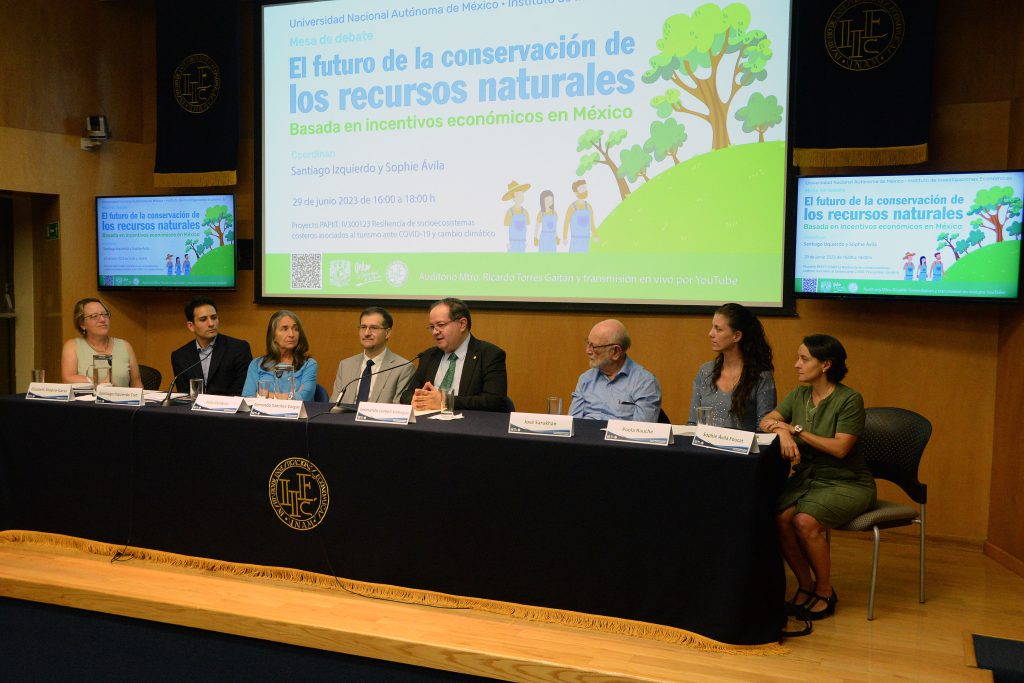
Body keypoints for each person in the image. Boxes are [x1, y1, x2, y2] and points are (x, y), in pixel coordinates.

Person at [759, 334, 875, 622]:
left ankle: (825, 591)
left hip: (846, 481)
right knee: (779, 518)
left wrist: (795, 430)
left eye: (804, 359)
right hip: (808, 478)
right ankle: (805, 586)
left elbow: (840, 448)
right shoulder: (799, 395)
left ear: (825, 365)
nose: (796, 364)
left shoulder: (849, 399)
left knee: (804, 520)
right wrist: (782, 431)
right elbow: (767, 420)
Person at [401, 297, 508, 412]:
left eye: (441, 325)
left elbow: (494, 401)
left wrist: (445, 401)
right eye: (432, 327)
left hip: (467, 425)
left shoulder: (490, 355)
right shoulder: (429, 356)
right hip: (427, 423)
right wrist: (416, 399)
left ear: (462, 324)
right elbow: (406, 395)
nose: (435, 332)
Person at [688, 303, 776, 431]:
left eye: (718, 329)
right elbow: (693, 422)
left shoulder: (761, 376)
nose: (710, 334)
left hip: (743, 449)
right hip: (705, 449)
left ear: (736, 336)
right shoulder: (705, 371)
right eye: (712, 327)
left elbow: (764, 428)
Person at [569, 319, 661, 422]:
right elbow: (574, 423)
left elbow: (642, 432)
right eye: (588, 343)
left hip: (620, 437)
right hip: (586, 436)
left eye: (594, 346)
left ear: (615, 352)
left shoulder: (645, 383)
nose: (588, 351)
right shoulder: (586, 379)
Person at [170, 295, 252, 396]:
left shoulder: (238, 349)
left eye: (214, 318)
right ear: (191, 326)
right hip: (193, 410)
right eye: (203, 319)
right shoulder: (180, 356)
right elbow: (185, 395)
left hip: (228, 408)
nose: (211, 323)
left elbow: (241, 390)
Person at [332, 306, 415, 404]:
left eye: (373, 328)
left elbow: (398, 411)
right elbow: (334, 404)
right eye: (363, 327)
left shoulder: (403, 368)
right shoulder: (346, 365)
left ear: (387, 333)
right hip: (344, 419)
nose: (366, 333)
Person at [61, 297, 143, 387]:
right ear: (82, 324)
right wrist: (96, 382)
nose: (102, 320)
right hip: (86, 400)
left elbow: (136, 382)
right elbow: (68, 378)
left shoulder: (125, 346)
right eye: (94, 316)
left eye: (105, 314)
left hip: (123, 400)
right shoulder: (72, 346)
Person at [242, 310, 318, 401]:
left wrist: (267, 395)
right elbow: (247, 398)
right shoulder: (256, 364)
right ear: (273, 336)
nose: (291, 334)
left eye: (296, 329)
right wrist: (289, 397)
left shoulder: (309, 364)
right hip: (262, 414)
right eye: (285, 329)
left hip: (296, 414)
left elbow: (304, 397)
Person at [563, 179, 597, 252]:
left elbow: (592, 224)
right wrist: (565, 237)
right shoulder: (572, 208)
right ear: (576, 193)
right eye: (581, 189)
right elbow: (566, 223)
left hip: (586, 240)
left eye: (585, 188)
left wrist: (595, 235)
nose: (584, 190)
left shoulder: (589, 207)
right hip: (575, 241)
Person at [502, 180, 530, 253]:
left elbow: (528, 228)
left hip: (522, 242)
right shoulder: (509, 212)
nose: (521, 197)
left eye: (522, 195)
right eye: (518, 195)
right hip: (512, 243)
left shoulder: (525, 212)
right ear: (513, 198)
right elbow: (505, 228)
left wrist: (527, 242)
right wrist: (507, 243)